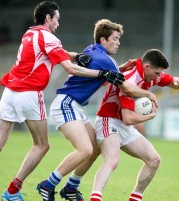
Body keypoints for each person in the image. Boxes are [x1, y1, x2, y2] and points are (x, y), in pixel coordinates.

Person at [0, 2, 125, 201]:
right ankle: (13, 191)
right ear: (48, 18)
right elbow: (70, 68)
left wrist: (77, 56)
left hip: (9, 91)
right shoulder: (50, 37)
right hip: (29, 93)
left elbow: (56, 54)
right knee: (42, 146)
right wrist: (102, 73)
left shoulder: (29, 34)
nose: (58, 23)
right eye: (56, 18)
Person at [36, 19, 158, 201]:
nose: (118, 42)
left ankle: (71, 188)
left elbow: (101, 71)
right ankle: (48, 184)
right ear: (103, 40)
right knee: (85, 150)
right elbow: (128, 89)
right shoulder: (106, 60)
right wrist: (150, 96)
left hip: (74, 105)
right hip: (66, 104)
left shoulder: (92, 49)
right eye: (115, 38)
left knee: (94, 149)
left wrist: (120, 68)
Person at [89, 49, 179, 201]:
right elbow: (128, 118)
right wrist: (150, 116)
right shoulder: (129, 80)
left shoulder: (151, 75)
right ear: (147, 67)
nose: (158, 77)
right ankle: (95, 198)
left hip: (124, 126)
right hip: (108, 120)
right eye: (157, 73)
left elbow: (173, 83)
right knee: (112, 160)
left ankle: (135, 198)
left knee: (154, 160)